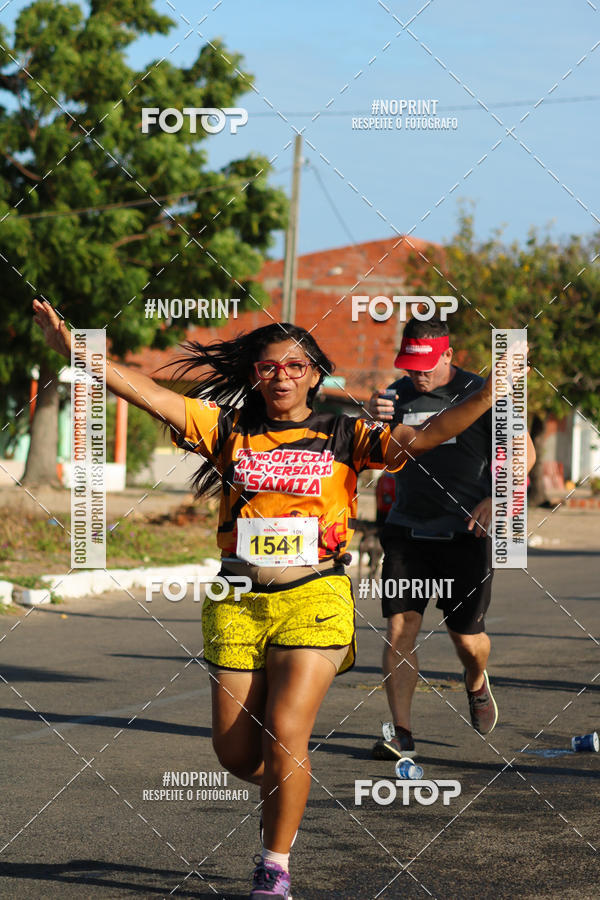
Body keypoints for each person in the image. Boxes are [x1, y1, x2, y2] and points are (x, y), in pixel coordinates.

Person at [33, 299, 518, 898]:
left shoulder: (346, 432)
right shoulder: (226, 427)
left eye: (295, 365)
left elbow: (429, 434)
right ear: (255, 375)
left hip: (314, 595)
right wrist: (77, 353)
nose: (282, 375)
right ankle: (288, 783)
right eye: (269, 366)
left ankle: (274, 864)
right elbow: (147, 393)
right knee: (236, 753)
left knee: (287, 731)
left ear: (315, 373)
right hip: (237, 595)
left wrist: (495, 389)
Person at [370, 317, 535, 761]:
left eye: (427, 365)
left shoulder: (486, 392)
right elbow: (378, 449)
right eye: (410, 365)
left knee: (467, 640)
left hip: (466, 532)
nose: (418, 374)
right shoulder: (396, 395)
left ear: (449, 355)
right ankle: (401, 733)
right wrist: (373, 419)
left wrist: (499, 498)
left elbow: (526, 452)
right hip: (407, 530)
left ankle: (477, 680)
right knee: (400, 628)